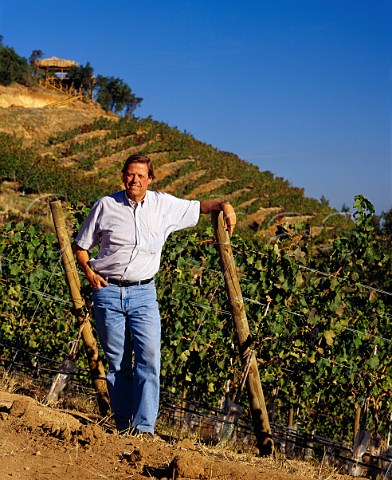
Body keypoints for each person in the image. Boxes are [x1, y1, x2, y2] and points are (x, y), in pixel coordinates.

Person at [74, 153, 236, 436]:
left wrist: (225, 206)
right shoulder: (105, 205)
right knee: (118, 364)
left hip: (143, 294)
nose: (134, 180)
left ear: (150, 179)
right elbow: (81, 246)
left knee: (149, 359)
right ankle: (123, 426)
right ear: (122, 175)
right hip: (108, 292)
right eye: (130, 174)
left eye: (141, 175)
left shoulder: (164, 205)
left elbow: (201, 206)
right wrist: (90, 274)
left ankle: (144, 429)